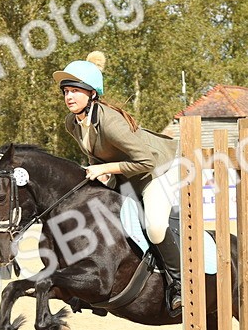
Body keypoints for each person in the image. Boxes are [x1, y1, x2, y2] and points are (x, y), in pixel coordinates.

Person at [54, 51, 183, 312]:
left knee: (155, 226)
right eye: (66, 91)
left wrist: (106, 168)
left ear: (92, 94)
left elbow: (145, 161)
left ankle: (179, 284)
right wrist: (103, 172)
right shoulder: (73, 122)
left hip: (158, 169)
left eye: (75, 91)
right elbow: (96, 154)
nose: (69, 97)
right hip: (127, 174)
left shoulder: (110, 122)